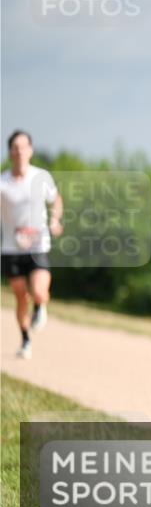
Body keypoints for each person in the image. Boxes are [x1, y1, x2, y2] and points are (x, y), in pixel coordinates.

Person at [1, 130, 63, 359]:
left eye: (23, 146)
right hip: (11, 248)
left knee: (38, 291)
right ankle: (25, 340)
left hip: (38, 246)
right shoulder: (3, 183)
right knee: (19, 297)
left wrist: (55, 220)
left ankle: (40, 306)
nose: (19, 151)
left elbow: (56, 200)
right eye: (15, 148)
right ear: (10, 152)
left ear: (30, 150)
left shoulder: (41, 177)